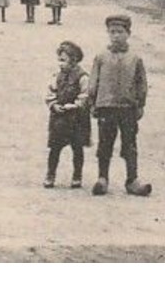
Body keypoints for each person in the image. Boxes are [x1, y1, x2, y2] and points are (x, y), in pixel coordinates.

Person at [87, 14, 151, 196]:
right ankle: (102, 178)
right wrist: (93, 103)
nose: (116, 36)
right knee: (105, 143)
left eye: (120, 32)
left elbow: (141, 83)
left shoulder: (135, 59)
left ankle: (132, 180)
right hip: (106, 107)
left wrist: (140, 104)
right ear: (108, 33)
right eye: (112, 32)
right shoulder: (101, 57)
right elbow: (93, 82)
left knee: (129, 144)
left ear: (128, 33)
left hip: (128, 108)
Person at [44, 40, 91, 189]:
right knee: (55, 148)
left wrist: (76, 105)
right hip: (60, 117)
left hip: (76, 118)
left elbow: (86, 95)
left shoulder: (83, 77)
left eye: (63, 60)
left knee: (77, 148)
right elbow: (51, 92)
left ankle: (77, 176)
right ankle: (50, 175)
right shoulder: (57, 76)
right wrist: (54, 104)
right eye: (59, 60)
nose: (60, 64)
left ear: (74, 60)